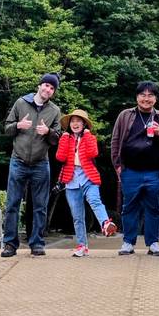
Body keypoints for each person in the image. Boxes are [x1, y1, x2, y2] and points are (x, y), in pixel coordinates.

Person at [111, 81, 159, 256]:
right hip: (130, 170)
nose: (146, 99)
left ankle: (153, 243)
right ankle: (128, 242)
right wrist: (117, 165)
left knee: (153, 207)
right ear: (137, 97)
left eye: (150, 95)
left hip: (155, 171)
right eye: (143, 95)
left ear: (155, 99)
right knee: (129, 207)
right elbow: (115, 140)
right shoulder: (125, 115)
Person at [1, 73, 62, 258]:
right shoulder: (21, 103)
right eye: (46, 86)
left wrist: (48, 131)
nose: (48, 90)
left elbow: (57, 138)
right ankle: (10, 244)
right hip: (18, 160)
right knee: (13, 203)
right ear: (39, 85)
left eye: (52, 88)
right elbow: (7, 128)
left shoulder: (55, 111)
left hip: (41, 163)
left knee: (40, 205)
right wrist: (18, 125)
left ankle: (37, 243)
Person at [56, 109, 117, 257]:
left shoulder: (90, 137)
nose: (75, 124)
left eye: (79, 121)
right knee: (77, 215)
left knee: (94, 200)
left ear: (84, 124)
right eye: (73, 121)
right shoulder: (66, 138)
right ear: (69, 124)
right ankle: (82, 245)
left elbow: (93, 153)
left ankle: (106, 224)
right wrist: (64, 138)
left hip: (88, 177)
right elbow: (60, 157)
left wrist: (88, 136)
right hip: (71, 179)